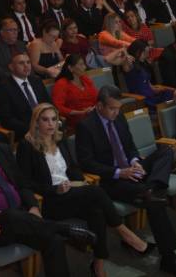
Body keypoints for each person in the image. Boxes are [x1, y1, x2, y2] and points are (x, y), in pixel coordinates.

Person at [75, 86, 176, 277]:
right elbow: (87, 163)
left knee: (165, 152)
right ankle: (170, 259)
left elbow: (130, 147)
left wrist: (135, 162)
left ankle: (152, 187)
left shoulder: (119, 118)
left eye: (118, 108)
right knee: (154, 204)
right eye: (112, 109)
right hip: (112, 180)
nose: (116, 112)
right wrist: (120, 172)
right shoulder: (86, 127)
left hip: (132, 169)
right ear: (99, 105)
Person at [0, 116, 96, 277]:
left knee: (54, 241)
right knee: (11, 214)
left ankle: (58, 230)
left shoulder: (2, 150)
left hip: (24, 219)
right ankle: (63, 229)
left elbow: (22, 184)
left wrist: (32, 206)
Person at [17, 104, 154, 277]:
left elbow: (73, 168)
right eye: (45, 120)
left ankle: (98, 264)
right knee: (95, 192)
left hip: (72, 192)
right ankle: (124, 232)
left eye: (54, 119)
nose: (51, 124)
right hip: (50, 200)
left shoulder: (59, 138)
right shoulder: (26, 145)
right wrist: (54, 189)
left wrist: (80, 182)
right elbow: (25, 183)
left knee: (96, 210)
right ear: (36, 122)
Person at [0, 52, 52, 140]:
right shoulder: (3, 87)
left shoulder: (36, 80)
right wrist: (33, 128)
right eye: (21, 63)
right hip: (25, 131)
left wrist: (52, 121)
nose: (26, 66)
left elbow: (49, 104)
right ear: (11, 67)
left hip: (46, 124)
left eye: (28, 62)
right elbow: (7, 119)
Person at [122, 40, 176, 111]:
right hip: (141, 99)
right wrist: (127, 55)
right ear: (137, 52)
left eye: (147, 52)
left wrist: (165, 88)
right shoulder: (129, 65)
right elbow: (122, 49)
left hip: (151, 94)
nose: (147, 55)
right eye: (145, 52)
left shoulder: (143, 64)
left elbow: (150, 86)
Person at [51, 54, 98, 128]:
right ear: (70, 68)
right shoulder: (61, 84)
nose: (85, 67)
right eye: (81, 65)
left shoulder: (85, 79)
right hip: (76, 119)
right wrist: (81, 112)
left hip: (93, 114)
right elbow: (58, 107)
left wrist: (94, 108)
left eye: (84, 64)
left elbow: (96, 97)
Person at [0, 18, 26, 84]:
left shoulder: (21, 44)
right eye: (11, 30)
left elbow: (28, 63)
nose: (15, 32)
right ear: (2, 32)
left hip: (23, 79)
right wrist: (15, 77)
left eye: (16, 29)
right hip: (5, 82)